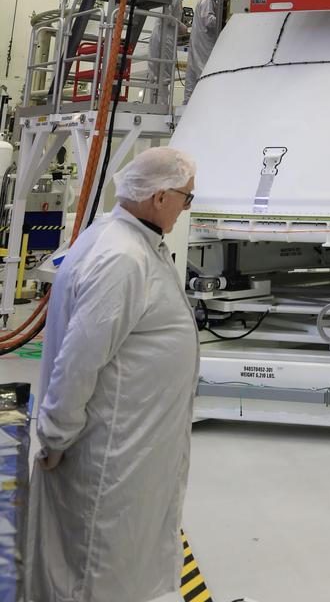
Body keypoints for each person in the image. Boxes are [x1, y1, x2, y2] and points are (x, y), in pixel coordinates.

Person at [28, 148, 199, 602]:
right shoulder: (122, 257)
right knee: (98, 569)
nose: (186, 208)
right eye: (186, 197)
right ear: (159, 197)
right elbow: (78, 361)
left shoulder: (125, 241)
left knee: (113, 562)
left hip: (129, 446)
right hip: (111, 452)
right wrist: (55, 436)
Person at [145, 0, 194, 103]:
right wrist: (179, 25)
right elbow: (166, 15)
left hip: (163, 36)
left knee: (157, 73)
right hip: (164, 38)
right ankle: (161, 105)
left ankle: (154, 104)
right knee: (164, 72)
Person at [183, 0, 219, 103]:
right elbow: (209, 21)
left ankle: (187, 105)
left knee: (192, 76)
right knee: (204, 72)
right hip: (204, 43)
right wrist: (224, 20)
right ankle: (203, 103)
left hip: (198, 42)